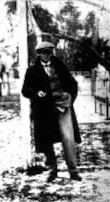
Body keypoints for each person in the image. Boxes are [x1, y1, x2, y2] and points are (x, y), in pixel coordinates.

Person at [22, 41, 82, 182]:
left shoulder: (60, 66)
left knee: (68, 138)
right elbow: (25, 91)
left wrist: (70, 97)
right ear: (39, 54)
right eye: (44, 52)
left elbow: (73, 84)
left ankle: (73, 171)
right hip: (44, 110)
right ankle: (52, 170)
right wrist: (37, 93)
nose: (47, 55)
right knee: (47, 140)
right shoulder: (32, 70)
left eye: (49, 52)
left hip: (62, 106)